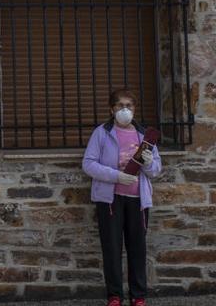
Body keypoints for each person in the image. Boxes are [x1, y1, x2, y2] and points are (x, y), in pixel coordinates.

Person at [83, 90, 162, 306]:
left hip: (138, 200)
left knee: (137, 247)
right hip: (111, 200)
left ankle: (138, 296)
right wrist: (116, 176)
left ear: (135, 109)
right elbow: (88, 164)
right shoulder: (102, 132)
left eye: (129, 105)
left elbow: (156, 170)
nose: (125, 110)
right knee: (112, 247)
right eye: (119, 105)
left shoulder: (144, 135)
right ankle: (115, 296)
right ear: (111, 109)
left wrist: (148, 162)